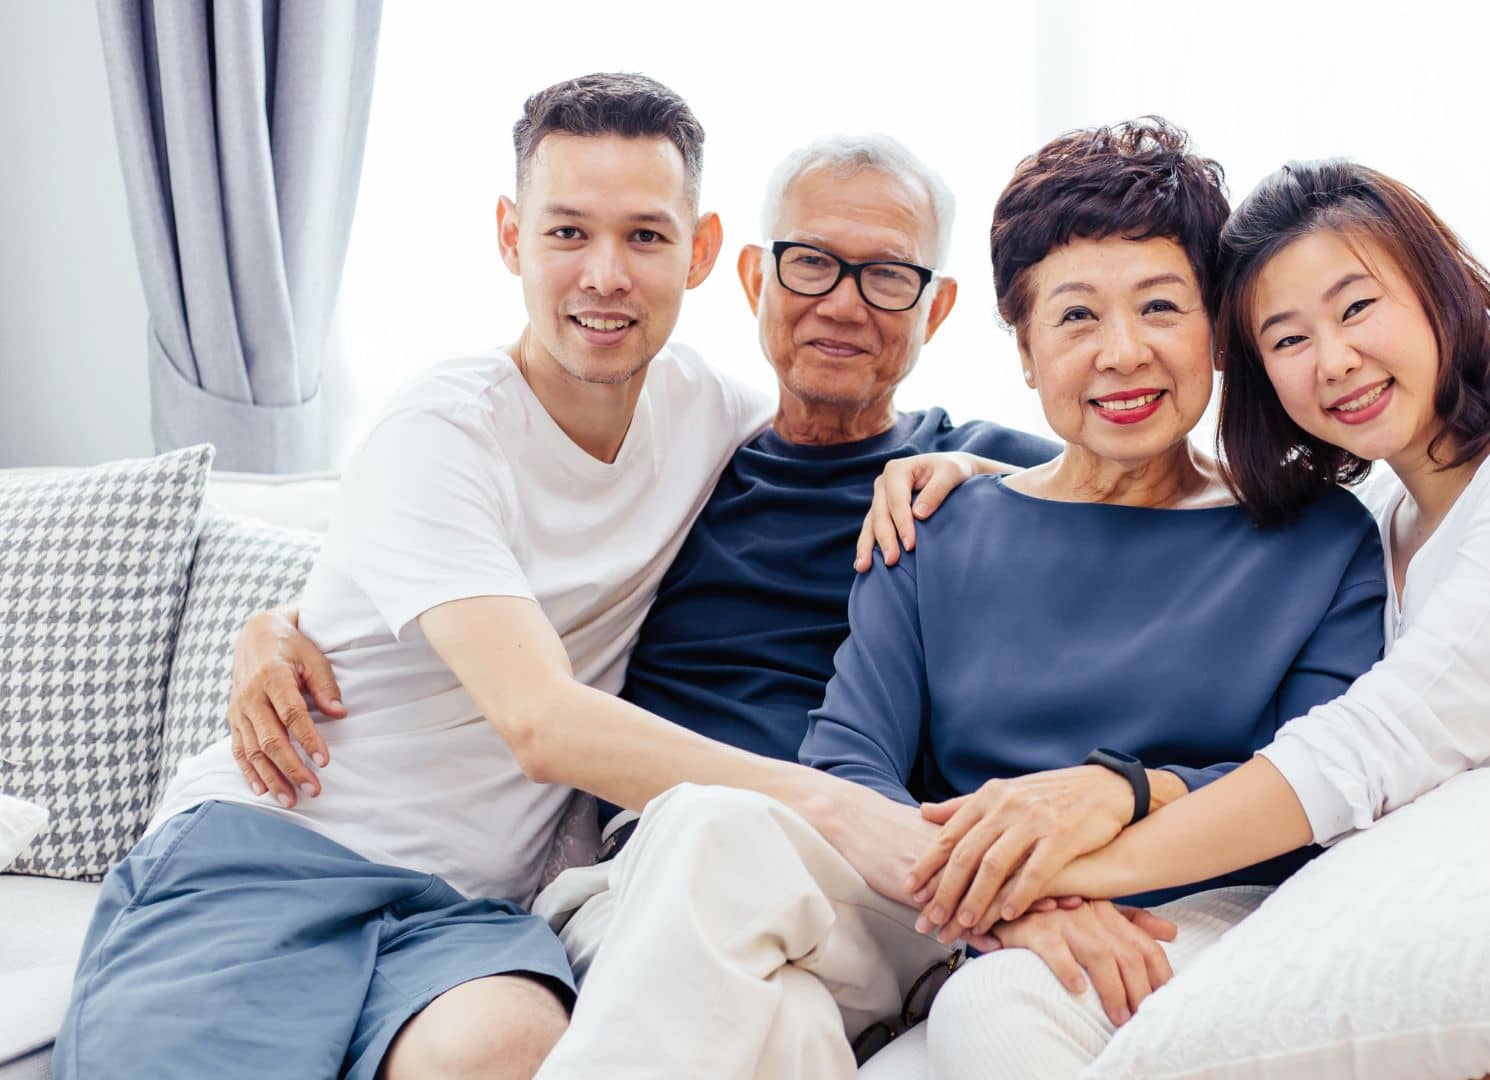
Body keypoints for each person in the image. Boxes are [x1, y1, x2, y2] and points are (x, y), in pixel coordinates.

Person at [893, 158, 1490, 1079]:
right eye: (1287, 340)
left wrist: (1055, 871)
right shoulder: (1381, 518)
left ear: (1437, 294)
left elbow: (1370, 747)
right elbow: (1125, 472)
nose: (1335, 361)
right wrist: (987, 477)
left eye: (1357, 307)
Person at [53, 72, 887, 1080]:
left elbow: (860, 435)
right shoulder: (441, 429)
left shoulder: (714, 413)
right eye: (568, 232)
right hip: (269, 852)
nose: (605, 275)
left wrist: (958, 469)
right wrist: (833, 809)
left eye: (646, 237)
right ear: (511, 236)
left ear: (701, 252)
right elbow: (539, 721)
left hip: (463, 914)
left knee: (508, 1051)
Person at [539, 117, 1388, 1080]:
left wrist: (1106, 817)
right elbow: (848, 761)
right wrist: (1004, 899)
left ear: (1217, 330)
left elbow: (1311, 786)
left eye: (1160, 308)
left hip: (1179, 912)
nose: (1121, 353)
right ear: (1023, 351)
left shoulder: (1321, 540)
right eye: (1074, 317)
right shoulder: (935, 521)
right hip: (937, 905)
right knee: (705, 824)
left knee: (869, 1025)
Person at [220, 133, 1056, 1074]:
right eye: (811, 263)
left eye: (886, 277)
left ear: (937, 307)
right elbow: (450, 560)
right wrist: (274, 622)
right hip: (632, 872)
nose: (841, 304)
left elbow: (1185, 493)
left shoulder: (982, 472)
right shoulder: (697, 448)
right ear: (751, 278)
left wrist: (980, 472)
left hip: (856, 867)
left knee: (715, 826)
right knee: (784, 1026)